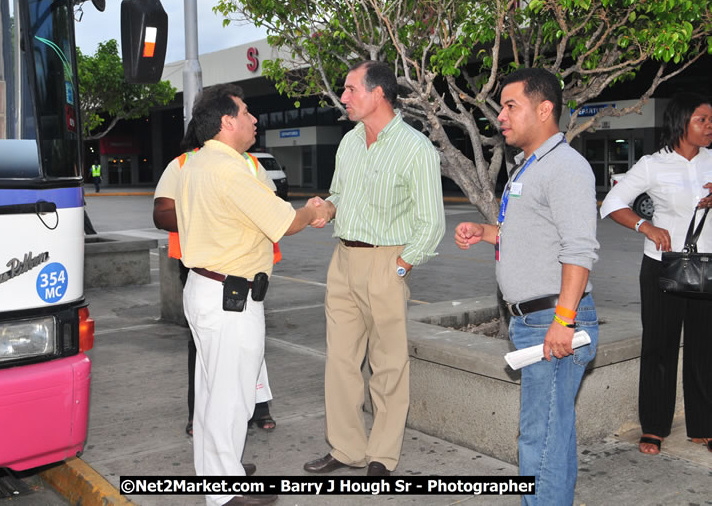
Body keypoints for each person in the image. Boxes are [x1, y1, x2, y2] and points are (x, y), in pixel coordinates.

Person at [174, 84, 332, 506]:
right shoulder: (231, 170)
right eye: (246, 112)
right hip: (231, 297)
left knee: (211, 394)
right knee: (231, 399)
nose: (254, 119)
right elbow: (284, 222)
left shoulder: (195, 162)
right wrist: (317, 211)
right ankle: (226, 495)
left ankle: (215, 478)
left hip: (206, 288)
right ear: (227, 121)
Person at [454, 68, 599, 505]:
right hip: (535, 321)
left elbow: (579, 252)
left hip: (551, 323)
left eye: (511, 105)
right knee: (553, 436)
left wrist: (563, 321)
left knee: (540, 440)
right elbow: (529, 233)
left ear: (544, 109)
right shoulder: (529, 166)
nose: (501, 115)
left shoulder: (566, 167)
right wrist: (485, 231)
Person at [303, 61, 445, 477]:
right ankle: (346, 449)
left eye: (350, 90)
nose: (343, 98)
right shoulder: (348, 143)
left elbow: (431, 221)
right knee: (341, 362)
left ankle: (382, 455)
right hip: (343, 260)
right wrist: (327, 207)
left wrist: (400, 266)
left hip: (388, 260)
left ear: (378, 93)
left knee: (388, 364)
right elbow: (341, 194)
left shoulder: (415, 147)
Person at [600, 92, 712, 456]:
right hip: (663, 267)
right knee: (659, 348)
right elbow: (612, 204)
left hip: (708, 267)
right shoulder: (653, 164)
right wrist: (645, 226)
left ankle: (703, 426)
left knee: (704, 350)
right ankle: (654, 427)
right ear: (682, 123)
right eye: (702, 120)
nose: (710, 126)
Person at [153, 121, 279, 437]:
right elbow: (161, 214)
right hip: (205, 268)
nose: (253, 122)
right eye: (244, 114)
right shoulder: (183, 164)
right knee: (206, 347)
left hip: (249, 269)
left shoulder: (250, 164)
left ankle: (256, 407)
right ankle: (201, 417)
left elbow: (273, 210)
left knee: (249, 345)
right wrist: (205, 215)